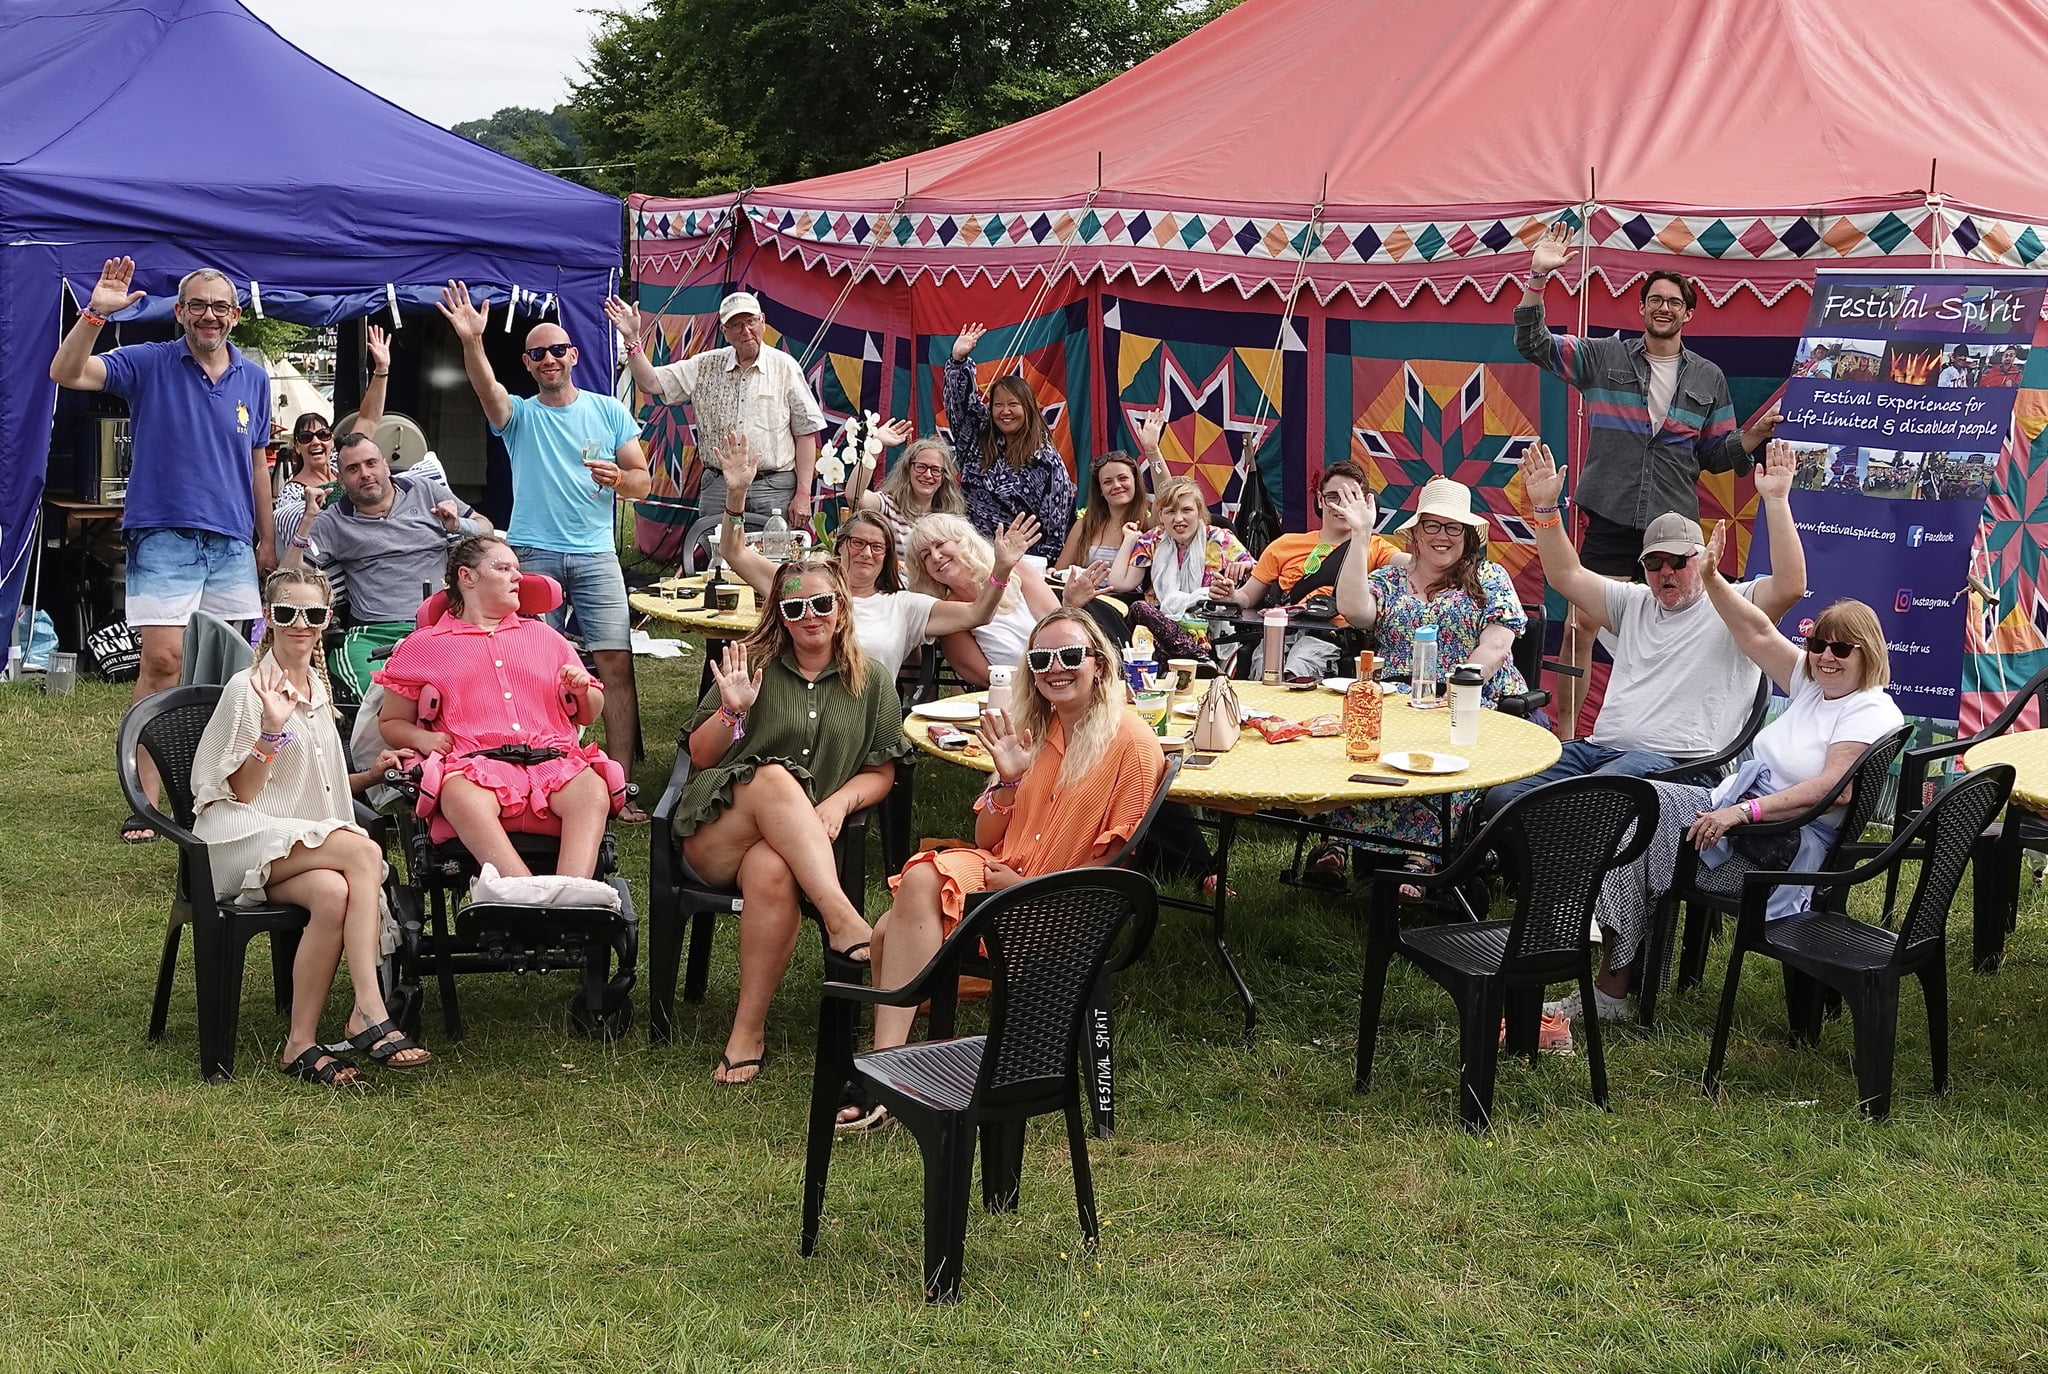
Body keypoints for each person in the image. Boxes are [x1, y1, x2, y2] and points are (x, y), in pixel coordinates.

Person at [840, 607, 1165, 1130]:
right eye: (1041, 658)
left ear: (1100, 664)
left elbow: (1114, 864)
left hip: (1057, 905)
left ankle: (885, 1081)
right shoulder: (1035, 731)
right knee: (902, 910)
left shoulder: (1131, 744)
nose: (1055, 668)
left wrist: (1028, 887)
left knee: (897, 917)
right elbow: (986, 839)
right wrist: (1009, 779)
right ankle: (892, 1079)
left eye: (1070, 656)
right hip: (998, 874)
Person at [1579, 546, 1904, 1019]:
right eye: (1818, 645)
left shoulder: (1868, 709)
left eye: (1841, 648)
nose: (1825, 657)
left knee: (1641, 849)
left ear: (1867, 653)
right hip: (1746, 820)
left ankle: (1615, 987)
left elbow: (1836, 789)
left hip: (1778, 851)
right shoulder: (1814, 685)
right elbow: (1754, 630)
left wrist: (1741, 812)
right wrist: (1712, 578)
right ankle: (1627, 979)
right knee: (1639, 805)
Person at [1516, 223, 1782, 738]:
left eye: (1674, 302)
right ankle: (1569, 741)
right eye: (1654, 300)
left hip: (1674, 529)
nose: (1664, 308)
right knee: (1579, 628)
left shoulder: (1709, 377)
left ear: (1689, 313)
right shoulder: (1604, 357)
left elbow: (1713, 454)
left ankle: (1670, 734)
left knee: (1682, 631)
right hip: (1611, 514)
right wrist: (1537, 278)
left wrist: (1752, 437)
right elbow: (1532, 343)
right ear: (1641, 309)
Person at [50, 259, 275, 844]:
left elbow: (257, 461)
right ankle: (145, 798)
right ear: (179, 313)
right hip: (164, 534)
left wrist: (267, 536)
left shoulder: (253, 376)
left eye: (220, 306)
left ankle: (216, 790)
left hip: (230, 541)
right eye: (197, 305)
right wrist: (96, 312)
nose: (209, 314)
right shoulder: (148, 361)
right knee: (164, 664)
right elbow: (66, 371)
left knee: (230, 674)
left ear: (235, 315)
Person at [1478, 438, 1807, 825]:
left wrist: (1777, 500)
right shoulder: (1633, 601)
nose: (1665, 571)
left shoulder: (1734, 602)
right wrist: (1546, 509)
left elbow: (1790, 586)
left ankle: (1567, 879)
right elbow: (1567, 575)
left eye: (1678, 561)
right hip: (1599, 750)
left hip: (1682, 765)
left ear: (1701, 558)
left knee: (1582, 802)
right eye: (1654, 562)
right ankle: (1530, 878)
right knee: (1503, 794)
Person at [189, 567, 430, 1084]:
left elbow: (318, 785)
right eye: (286, 613)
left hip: (294, 838)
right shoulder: (246, 689)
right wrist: (272, 730)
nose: (300, 623)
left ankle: (300, 1044)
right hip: (237, 834)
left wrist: (371, 774)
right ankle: (369, 1005)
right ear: (267, 618)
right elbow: (243, 792)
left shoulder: (319, 686)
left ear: (326, 622)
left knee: (334, 895)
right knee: (364, 854)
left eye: (313, 614)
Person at [669, 559, 905, 1084]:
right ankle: (842, 919)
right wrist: (731, 712)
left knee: (772, 869)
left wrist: (839, 802)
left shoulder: (872, 681)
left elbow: (881, 772)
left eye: (822, 603)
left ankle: (745, 1034)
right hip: (717, 832)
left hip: (793, 847)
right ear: (780, 615)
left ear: (841, 608)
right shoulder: (750, 665)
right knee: (775, 777)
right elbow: (702, 757)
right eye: (794, 607)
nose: (810, 616)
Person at [439, 283, 651, 819]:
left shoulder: (607, 411)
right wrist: (471, 343)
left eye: (558, 350)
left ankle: (618, 789)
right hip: (533, 553)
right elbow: (488, 390)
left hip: (598, 553)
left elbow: (644, 483)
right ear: (528, 365)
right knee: (532, 668)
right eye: (539, 354)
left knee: (614, 664)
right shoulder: (521, 417)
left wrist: (621, 478)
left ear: (574, 356)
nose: (550, 358)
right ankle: (541, 772)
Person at [375, 536, 627, 902]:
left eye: (518, 570)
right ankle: (523, 892)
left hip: (553, 763)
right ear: (468, 577)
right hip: (475, 766)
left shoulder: (547, 637)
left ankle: (572, 891)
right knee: (460, 795)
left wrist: (583, 690)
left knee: (590, 790)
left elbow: (589, 711)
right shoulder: (424, 645)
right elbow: (390, 723)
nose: (518, 578)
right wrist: (423, 740)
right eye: (503, 568)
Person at [1329, 475, 1529, 890]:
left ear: (1468, 535)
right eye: (1432, 525)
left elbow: (1495, 646)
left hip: (1470, 697)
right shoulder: (1389, 580)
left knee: (1448, 749)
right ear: (1415, 534)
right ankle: (1337, 845)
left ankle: (1427, 858)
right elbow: (1353, 609)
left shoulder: (1490, 579)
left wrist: (1455, 691)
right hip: (1399, 698)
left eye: (1453, 526)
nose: (1442, 535)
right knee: (1357, 745)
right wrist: (1362, 534)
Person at [715, 433, 1030, 680]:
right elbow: (734, 552)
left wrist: (1001, 569)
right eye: (857, 543)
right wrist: (737, 493)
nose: (866, 552)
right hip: (798, 703)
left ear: (888, 557)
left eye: (877, 546)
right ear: (839, 547)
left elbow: (978, 614)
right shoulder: (805, 587)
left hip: (863, 718)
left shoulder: (904, 606)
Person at [283, 432, 492, 700]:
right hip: (374, 634)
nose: (365, 473)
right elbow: (288, 577)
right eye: (353, 469)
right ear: (341, 481)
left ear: (385, 465)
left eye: (371, 463)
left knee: (470, 693)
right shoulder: (333, 522)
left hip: (442, 625)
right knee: (379, 700)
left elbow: (486, 527)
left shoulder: (425, 490)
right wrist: (308, 519)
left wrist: (458, 526)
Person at [604, 290, 824, 524]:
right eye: (736, 325)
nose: (745, 331)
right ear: (724, 332)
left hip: (772, 488)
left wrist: (802, 493)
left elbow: (806, 432)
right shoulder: (705, 365)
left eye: (750, 321)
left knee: (771, 558)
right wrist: (631, 339)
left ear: (763, 322)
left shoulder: (785, 367)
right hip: (720, 486)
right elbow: (650, 382)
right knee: (717, 557)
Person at [1209, 459, 1404, 679]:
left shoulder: (1375, 546)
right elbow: (1247, 597)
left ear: (1364, 503)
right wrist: (1231, 594)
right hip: (1280, 632)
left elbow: (1417, 565)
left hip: (1332, 638)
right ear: (1320, 500)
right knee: (1264, 669)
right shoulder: (1284, 544)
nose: (1341, 506)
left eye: (1351, 498)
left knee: (1299, 668)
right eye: (1333, 497)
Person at [907, 514, 1099, 687]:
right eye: (925, 556)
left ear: (964, 542)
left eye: (940, 544)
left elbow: (1060, 634)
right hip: (1016, 696)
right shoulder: (948, 612)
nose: (936, 556)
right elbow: (986, 679)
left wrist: (1070, 606)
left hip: (1065, 678)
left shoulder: (1017, 573)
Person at [945, 321, 1075, 561]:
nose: (1005, 411)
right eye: (998, 405)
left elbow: (1056, 523)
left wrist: (1046, 567)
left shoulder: (1045, 460)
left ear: (1027, 409)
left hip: (1021, 562)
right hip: (970, 554)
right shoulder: (976, 439)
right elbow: (959, 406)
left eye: (1013, 404)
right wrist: (958, 361)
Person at [273, 326, 391, 566]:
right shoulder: (293, 493)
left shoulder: (347, 462)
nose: (316, 441)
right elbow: (295, 539)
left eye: (323, 434)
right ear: (296, 447)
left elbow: (368, 419)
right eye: (306, 438)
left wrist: (381, 371)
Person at [1107, 476, 1254, 665]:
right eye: (1170, 512)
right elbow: (1119, 583)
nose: (1178, 519)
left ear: (1199, 512)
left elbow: (1259, 572)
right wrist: (1129, 539)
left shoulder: (1219, 538)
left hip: (1204, 624)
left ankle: (1195, 657)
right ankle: (1196, 659)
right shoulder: (1153, 540)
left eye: (1186, 510)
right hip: (1161, 625)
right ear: (1160, 515)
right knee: (1139, 610)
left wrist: (1246, 566)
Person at [1057, 450, 1154, 572]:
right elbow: (1059, 573)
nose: (1117, 485)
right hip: (1087, 591)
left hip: (1131, 592)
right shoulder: (1083, 526)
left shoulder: (1148, 526)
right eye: (1108, 482)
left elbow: (1164, 494)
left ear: (1135, 481)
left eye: (1123, 478)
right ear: (1100, 490)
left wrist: (1153, 451)